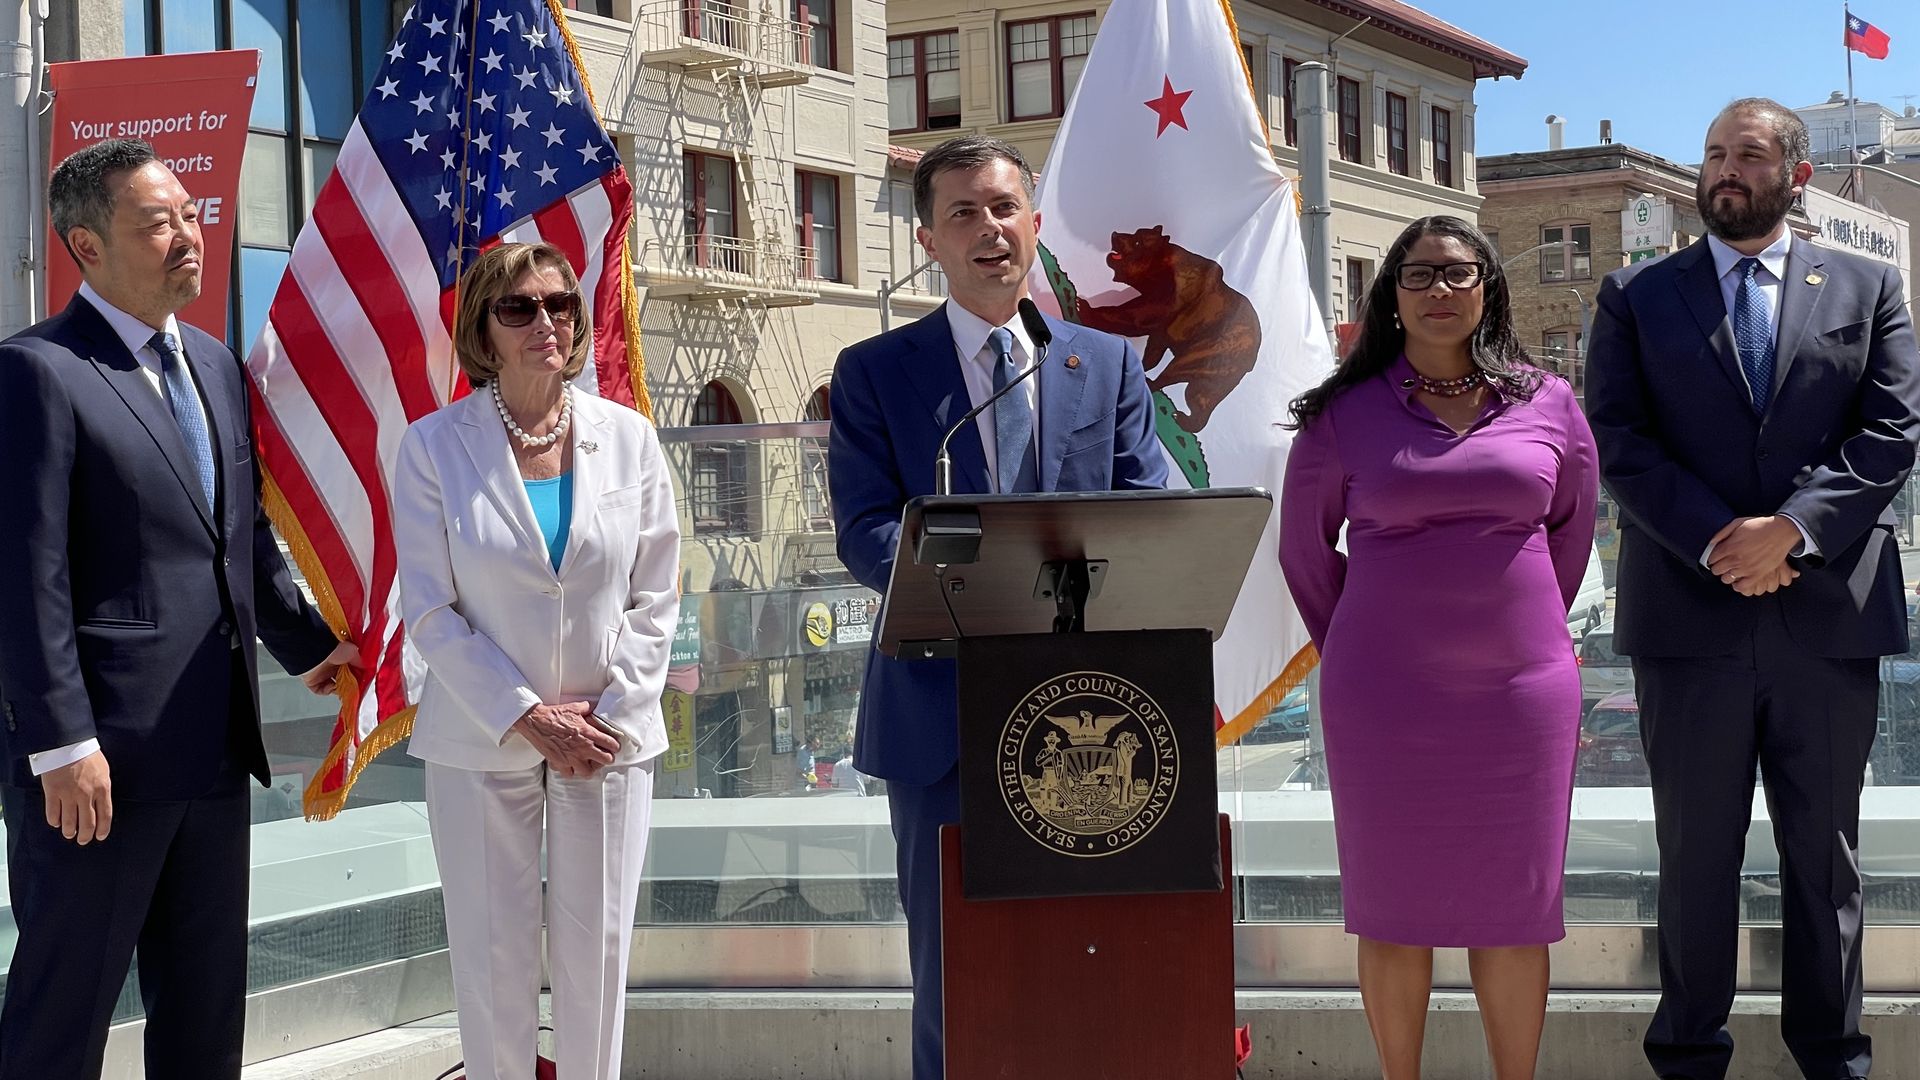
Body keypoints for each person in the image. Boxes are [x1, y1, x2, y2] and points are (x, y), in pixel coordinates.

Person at [0, 138, 355, 1080]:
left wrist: (314, 650)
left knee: (204, 1023)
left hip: (211, 753)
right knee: (59, 1019)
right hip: (95, 773)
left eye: (190, 215)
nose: (187, 237)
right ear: (84, 245)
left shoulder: (213, 363)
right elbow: (24, 578)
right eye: (157, 223)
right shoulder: (36, 373)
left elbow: (236, 545)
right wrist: (63, 746)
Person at [1585, 98, 1920, 1080]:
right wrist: (1722, 541)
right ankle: (1689, 1060)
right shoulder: (1635, 296)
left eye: (1750, 154)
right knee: (1695, 865)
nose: (1727, 169)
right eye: (1715, 154)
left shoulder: (1871, 285)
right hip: (1690, 625)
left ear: (1798, 174)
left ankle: (1836, 1059)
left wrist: (1796, 535)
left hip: (1828, 624)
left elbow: (1891, 434)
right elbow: (1620, 440)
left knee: (1827, 866)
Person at [827, 134, 1167, 1080]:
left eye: (1003, 208)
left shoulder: (1102, 364)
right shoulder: (875, 372)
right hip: (939, 721)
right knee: (957, 975)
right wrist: (991, 579)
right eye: (963, 213)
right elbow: (863, 531)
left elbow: (1154, 513)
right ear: (929, 240)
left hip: (1088, 716)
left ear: (1035, 225)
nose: (989, 229)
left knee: (1082, 968)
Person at [1279, 215, 1597, 1080]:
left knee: (1517, 910)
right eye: (1419, 276)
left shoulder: (1550, 404)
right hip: (1385, 703)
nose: (1440, 292)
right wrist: (1368, 645)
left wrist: (1513, 627)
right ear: (1391, 295)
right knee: (1389, 908)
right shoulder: (1344, 414)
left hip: (1521, 701)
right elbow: (1304, 555)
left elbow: (1570, 539)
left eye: (1459, 274)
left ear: (1489, 287)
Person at [392, 242, 681, 1080]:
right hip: (483, 739)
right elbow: (429, 609)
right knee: (491, 964)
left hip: (606, 744)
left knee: (598, 963)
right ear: (484, 330)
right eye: (519, 308)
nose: (545, 322)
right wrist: (525, 714)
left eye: (560, 305)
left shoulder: (629, 439)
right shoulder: (433, 447)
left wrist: (610, 718)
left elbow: (656, 596)